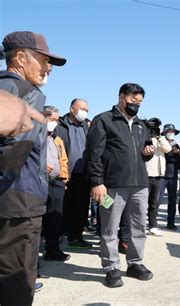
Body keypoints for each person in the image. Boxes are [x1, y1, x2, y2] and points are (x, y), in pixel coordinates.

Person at [0, 30, 66, 306]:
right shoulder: (27, 93)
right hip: (19, 204)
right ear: (20, 57)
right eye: (43, 60)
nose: (48, 67)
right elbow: (13, 154)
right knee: (16, 282)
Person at [87, 83, 154, 288]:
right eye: (133, 100)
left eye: (140, 101)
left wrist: (148, 153)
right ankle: (111, 267)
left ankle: (135, 263)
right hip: (112, 185)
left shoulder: (142, 125)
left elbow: (143, 149)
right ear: (121, 97)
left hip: (140, 184)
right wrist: (97, 182)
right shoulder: (104, 120)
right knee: (109, 229)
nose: (136, 104)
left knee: (138, 227)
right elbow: (93, 154)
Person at [54, 98, 91, 249]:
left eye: (87, 110)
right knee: (61, 208)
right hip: (64, 174)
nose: (84, 112)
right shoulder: (60, 126)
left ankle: (76, 236)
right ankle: (56, 238)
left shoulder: (87, 127)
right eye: (82, 108)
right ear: (72, 109)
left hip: (83, 174)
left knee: (81, 208)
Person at [41, 106, 71, 261]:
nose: (53, 123)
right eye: (51, 119)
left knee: (55, 217)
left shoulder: (57, 139)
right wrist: (40, 165)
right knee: (38, 218)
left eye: (56, 120)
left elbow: (64, 160)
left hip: (57, 182)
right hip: (40, 182)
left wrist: (64, 178)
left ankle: (52, 249)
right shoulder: (35, 137)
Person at [144, 117, 171, 236]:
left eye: (157, 126)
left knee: (153, 203)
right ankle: (140, 225)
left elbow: (168, 149)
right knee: (142, 203)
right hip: (146, 174)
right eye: (152, 126)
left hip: (158, 175)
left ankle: (153, 226)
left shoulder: (161, 139)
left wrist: (159, 137)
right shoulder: (144, 136)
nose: (154, 129)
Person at [158, 124, 180, 230]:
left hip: (173, 176)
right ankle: (152, 223)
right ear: (164, 133)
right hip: (161, 175)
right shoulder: (160, 143)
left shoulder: (177, 145)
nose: (171, 133)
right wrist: (173, 153)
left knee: (172, 200)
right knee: (157, 200)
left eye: (172, 131)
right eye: (169, 131)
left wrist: (178, 154)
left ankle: (170, 223)